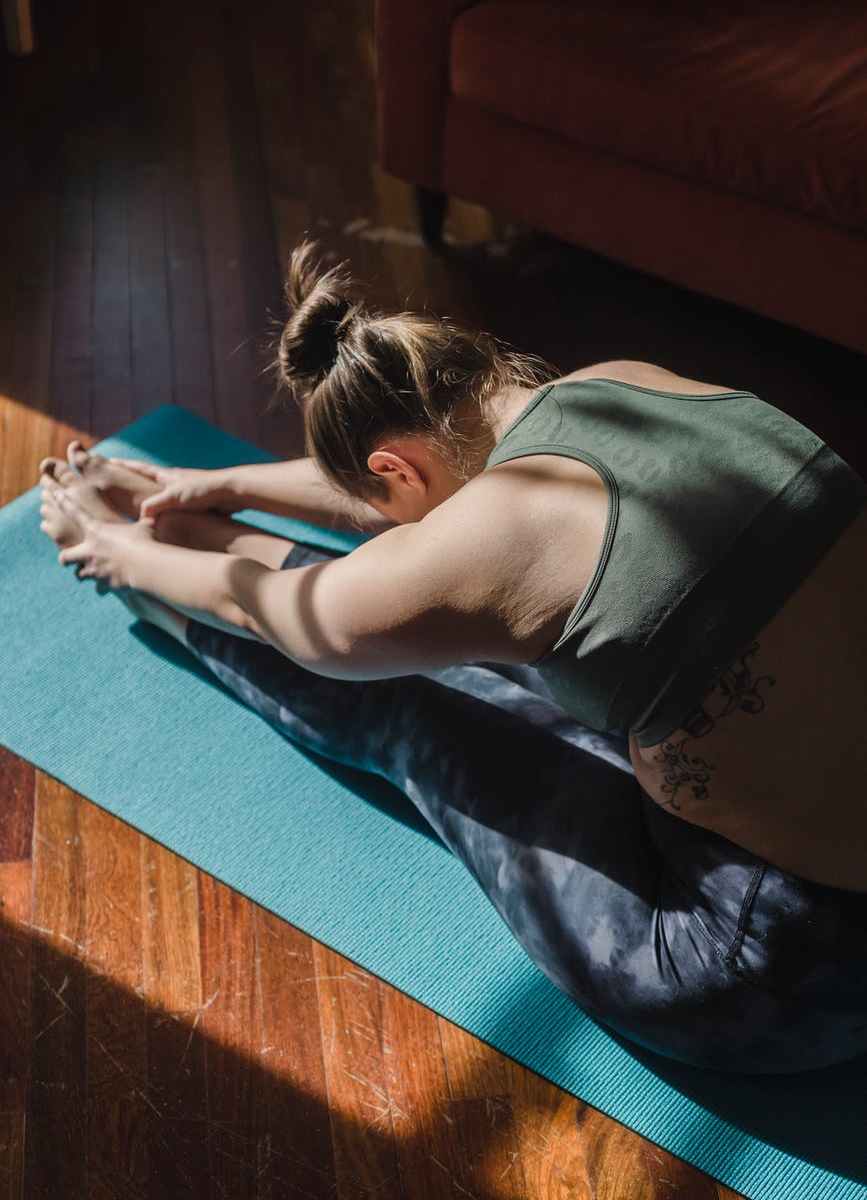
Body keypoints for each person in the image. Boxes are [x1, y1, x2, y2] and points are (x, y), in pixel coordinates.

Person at [37, 237, 867, 1074]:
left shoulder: (499, 537)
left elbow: (289, 617)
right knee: (454, 616)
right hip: (813, 817)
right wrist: (224, 484)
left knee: (406, 700)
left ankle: (166, 592)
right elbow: (426, 492)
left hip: (790, 959)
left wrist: (115, 553)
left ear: (393, 468)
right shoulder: (616, 387)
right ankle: (201, 537)